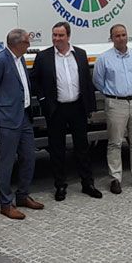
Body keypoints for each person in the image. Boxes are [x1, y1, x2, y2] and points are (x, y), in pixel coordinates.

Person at [31, 22, 101, 200]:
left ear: (68, 36)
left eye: (60, 35)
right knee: (57, 149)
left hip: (77, 107)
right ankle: (60, 186)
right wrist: (43, 99)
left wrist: (89, 106)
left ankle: (88, 183)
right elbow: (35, 80)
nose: (56, 38)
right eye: (54, 35)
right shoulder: (44, 57)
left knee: (82, 147)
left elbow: (86, 81)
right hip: (56, 109)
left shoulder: (80, 54)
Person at [0, 28, 44, 220]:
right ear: (18, 44)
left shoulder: (21, 59)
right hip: (8, 119)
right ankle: (5, 203)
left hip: (24, 116)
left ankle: (23, 195)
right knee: (6, 162)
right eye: (27, 42)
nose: (29, 45)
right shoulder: (1, 60)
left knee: (29, 157)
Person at [93, 24, 132, 194]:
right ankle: (115, 178)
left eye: (123, 34)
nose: (121, 38)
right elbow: (98, 81)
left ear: (127, 36)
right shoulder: (104, 58)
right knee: (115, 142)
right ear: (111, 38)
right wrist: (112, 93)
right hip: (116, 103)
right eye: (117, 36)